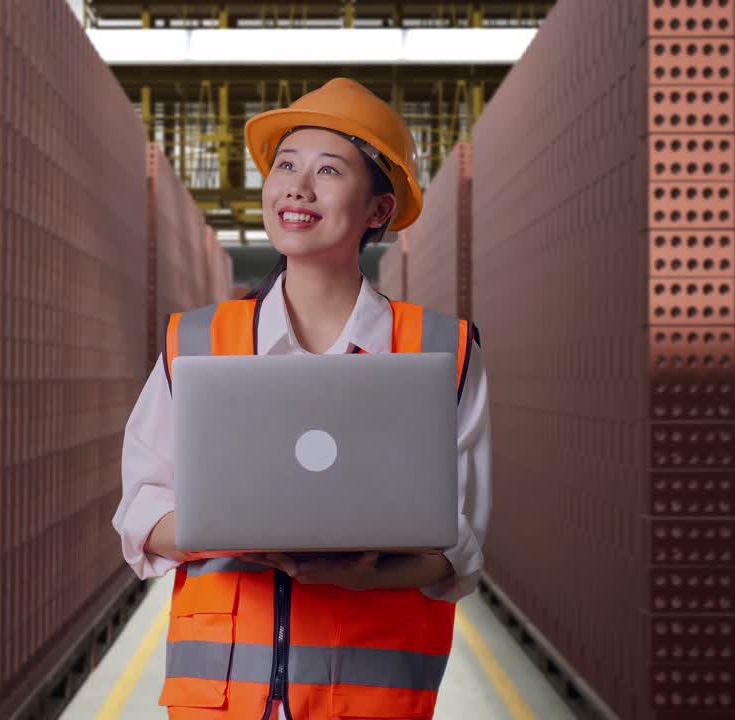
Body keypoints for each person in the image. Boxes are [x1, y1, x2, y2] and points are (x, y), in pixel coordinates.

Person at [113, 77, 491, 720]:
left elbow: (459, 542)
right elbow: (142, 511)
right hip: (220, 703)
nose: (297, 186)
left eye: (328, 170)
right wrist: (231, 532)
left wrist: (366, 575)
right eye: (285, 165)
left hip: (370, 705)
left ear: (377, 209)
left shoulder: (440, 351)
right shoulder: (200, 341)